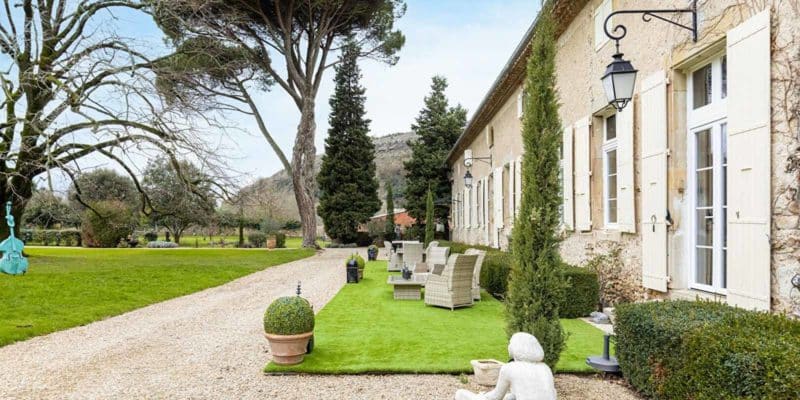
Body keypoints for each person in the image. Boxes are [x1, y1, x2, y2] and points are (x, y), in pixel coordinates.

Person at [455, 332, 557, 400]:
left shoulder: (510, 368)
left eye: (510, 343)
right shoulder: (545, 368)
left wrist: (483, 395)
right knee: (510, 397)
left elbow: (496, 397)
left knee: (460, 394)